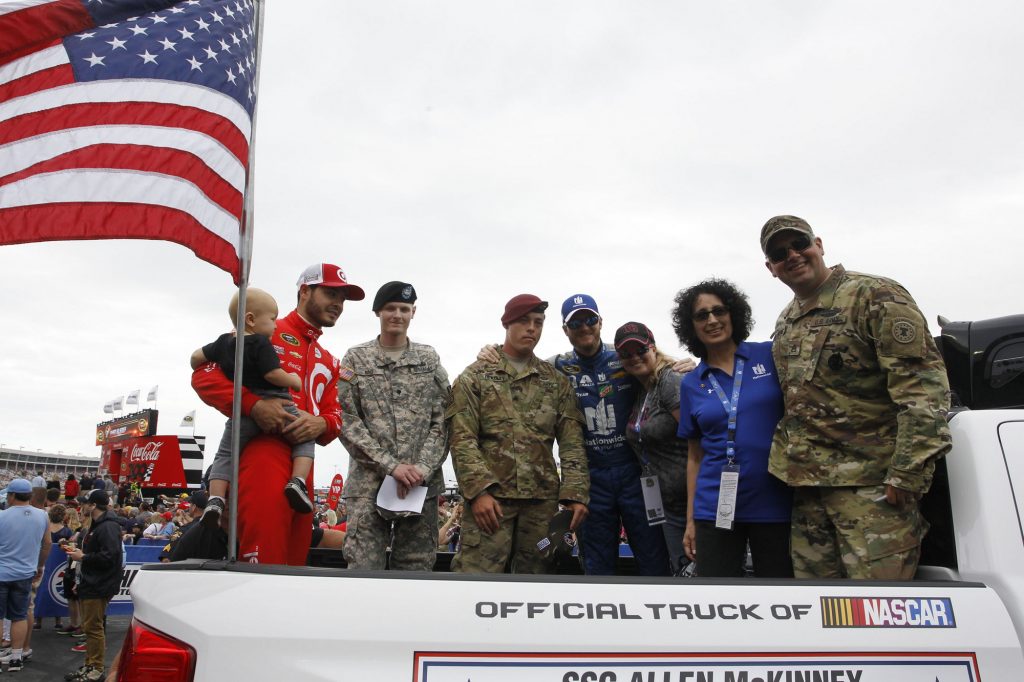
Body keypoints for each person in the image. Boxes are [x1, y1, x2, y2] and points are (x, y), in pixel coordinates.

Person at [760, 215, 952, 579]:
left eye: (799, 244)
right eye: (779, 252)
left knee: (879, 618)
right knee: (822, 620)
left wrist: (906, 475)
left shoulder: (874, 295)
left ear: (819, 244)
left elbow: (923, 392)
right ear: (770, 267)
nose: (793, 255)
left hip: (873, 492)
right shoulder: (786, 320)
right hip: (809, 495)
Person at [192, 263, 358, 565]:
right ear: (305, 291)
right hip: (261, 454)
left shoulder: (330, 360)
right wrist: (254, 405)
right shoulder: (263, 328)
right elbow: (204, 374)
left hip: (302, 465)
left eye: (343, 298)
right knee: (264, 557)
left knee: (293, 561)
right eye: (331, 293)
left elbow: (336, 415)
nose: (338, 303)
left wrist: (320, 422)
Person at [447, 294, 590, 574]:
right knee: (476, 580)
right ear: (506, 323)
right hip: (491, 504)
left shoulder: (555, 382)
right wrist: (478, 493)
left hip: (541, 506)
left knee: (538, 580)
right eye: (524, 321)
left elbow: (572, 442)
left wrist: (575, 494)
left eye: (538, 322)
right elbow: (462, 438)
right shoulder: (475, 377)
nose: (532, 329)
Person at [672, 280, 794, 577]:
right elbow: (694, 457)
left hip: (774, 501)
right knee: (716, 600)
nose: (712, 320)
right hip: (715, 508)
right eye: (701, 315)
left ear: (733, 314)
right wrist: (690, 521)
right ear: (691, 327)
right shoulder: (691, 382)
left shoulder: (769, 356)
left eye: (719, 311)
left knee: (780, 598)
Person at [338, 281, 450, 571]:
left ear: (413, 312)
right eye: (390, 308)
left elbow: (442, 421)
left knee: (415, 567)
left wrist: (421, 468)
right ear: (378, 312)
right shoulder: (356, 358)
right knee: (363, 567)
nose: (397, 315)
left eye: (404, 309)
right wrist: (390, 466)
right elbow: (347, 421)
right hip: (368, 484)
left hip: (420, 485)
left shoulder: (428, 359)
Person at [191, 287, 314, 528]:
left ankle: (215, 499)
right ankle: (298, 482)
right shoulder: (261, 342)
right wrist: (294, 380)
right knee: (305, 437)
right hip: (278, 403)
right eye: (272, 319)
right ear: (250, 319)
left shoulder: (224, 342)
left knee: (225, 454)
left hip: (241, 414)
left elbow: (196, 359)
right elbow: (273, 374)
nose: (276, 326)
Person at [613, 322, 691, 575]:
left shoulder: (671, 380)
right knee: (681, 575)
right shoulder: (640, 388)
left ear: (653, 348)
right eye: (626, 353)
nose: (634, 357)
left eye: (640, 350)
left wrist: (695, 514)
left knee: (703, 580)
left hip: (692, 503)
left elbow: (699, 445)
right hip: (666, 505)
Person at [62, 490, 123, 682]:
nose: (83, 506)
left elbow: (110, 556)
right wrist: (83, 555)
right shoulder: (101, 525)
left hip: (99, 583)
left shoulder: (107, 526)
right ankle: (90, 666)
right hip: (94, 581)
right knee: (90, 627)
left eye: (86, 503)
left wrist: (84, 557)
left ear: (94, 505)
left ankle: (95, 669)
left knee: (93, 628)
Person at [0, 479, 50, 673]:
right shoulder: (42, 516)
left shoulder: (2, 515)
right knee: (19, 616)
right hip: (25, 573)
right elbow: (46, 544)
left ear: (12, 496)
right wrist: (39, 565)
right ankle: (16, 657)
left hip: (2, 572)